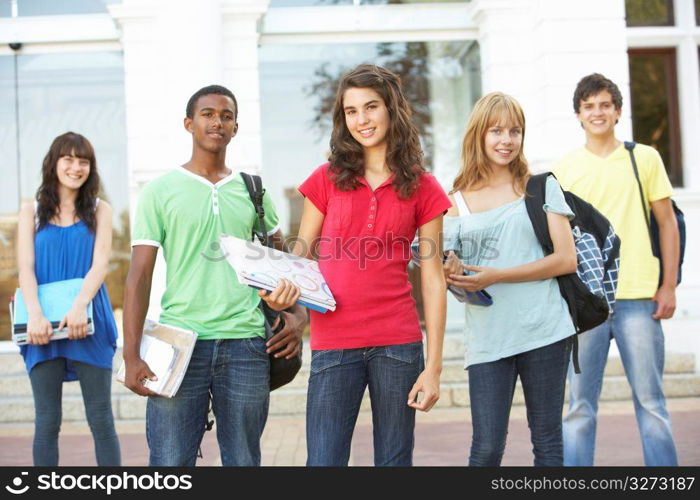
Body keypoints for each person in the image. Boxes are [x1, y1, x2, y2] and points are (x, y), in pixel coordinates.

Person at [123, 84, 306, 466]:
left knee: (243, 461)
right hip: (178, 343)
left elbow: (282, 265)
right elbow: (139, 276)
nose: (217, 122)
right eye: (207, 114)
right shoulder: (160, 191)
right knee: (170, 463)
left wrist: (297, 316)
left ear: (235, 127)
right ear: (189, 124)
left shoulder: (253, 191)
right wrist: (131, 353)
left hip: (246, 344)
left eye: (226, 115)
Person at [292, 64, 450, 466]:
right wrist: (281, 296)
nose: (361, 119)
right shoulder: (325, 179)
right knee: (324, 463)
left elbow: (432, 279)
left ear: (391, 109)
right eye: (351, 111)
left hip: (398, 344)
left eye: (371, 107)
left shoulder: (423, 186)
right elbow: (300, 259)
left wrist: (433, 367)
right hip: (333, 342)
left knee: (394, 464)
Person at [443, 92, 578, 466]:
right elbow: (449, 273)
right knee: (486, 448)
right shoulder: (456, 201)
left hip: (545, 329)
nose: (506, 140)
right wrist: (451, 271)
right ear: (479, 136)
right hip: (488, 337)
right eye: (496, 130)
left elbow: (566, 259)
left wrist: (499, 274)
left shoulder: (540, 187)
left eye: (514, 131)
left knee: (548, 441)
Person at [552, 73, 680, 466]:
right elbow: (561, 239)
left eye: (605, 105)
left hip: (639, 296)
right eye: (589, 106)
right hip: (588, 303)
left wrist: (669, 286)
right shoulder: (565, 169)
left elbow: (667, 223)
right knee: (578, 407)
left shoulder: (644, 158)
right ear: (578, 114)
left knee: (651, 402)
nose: (597, 112)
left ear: (618, 111)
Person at [16, 131, 121, 466]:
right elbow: (26, 268)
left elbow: (100, 264)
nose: (76, 167)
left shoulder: (99, 209)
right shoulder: (30, 211)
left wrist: (79, 307)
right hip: (41, 325)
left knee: (101, 419)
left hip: (89, 321)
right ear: (54, 163)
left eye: (84, 161)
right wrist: (34, 314)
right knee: (47, 421)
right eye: (69, 159)